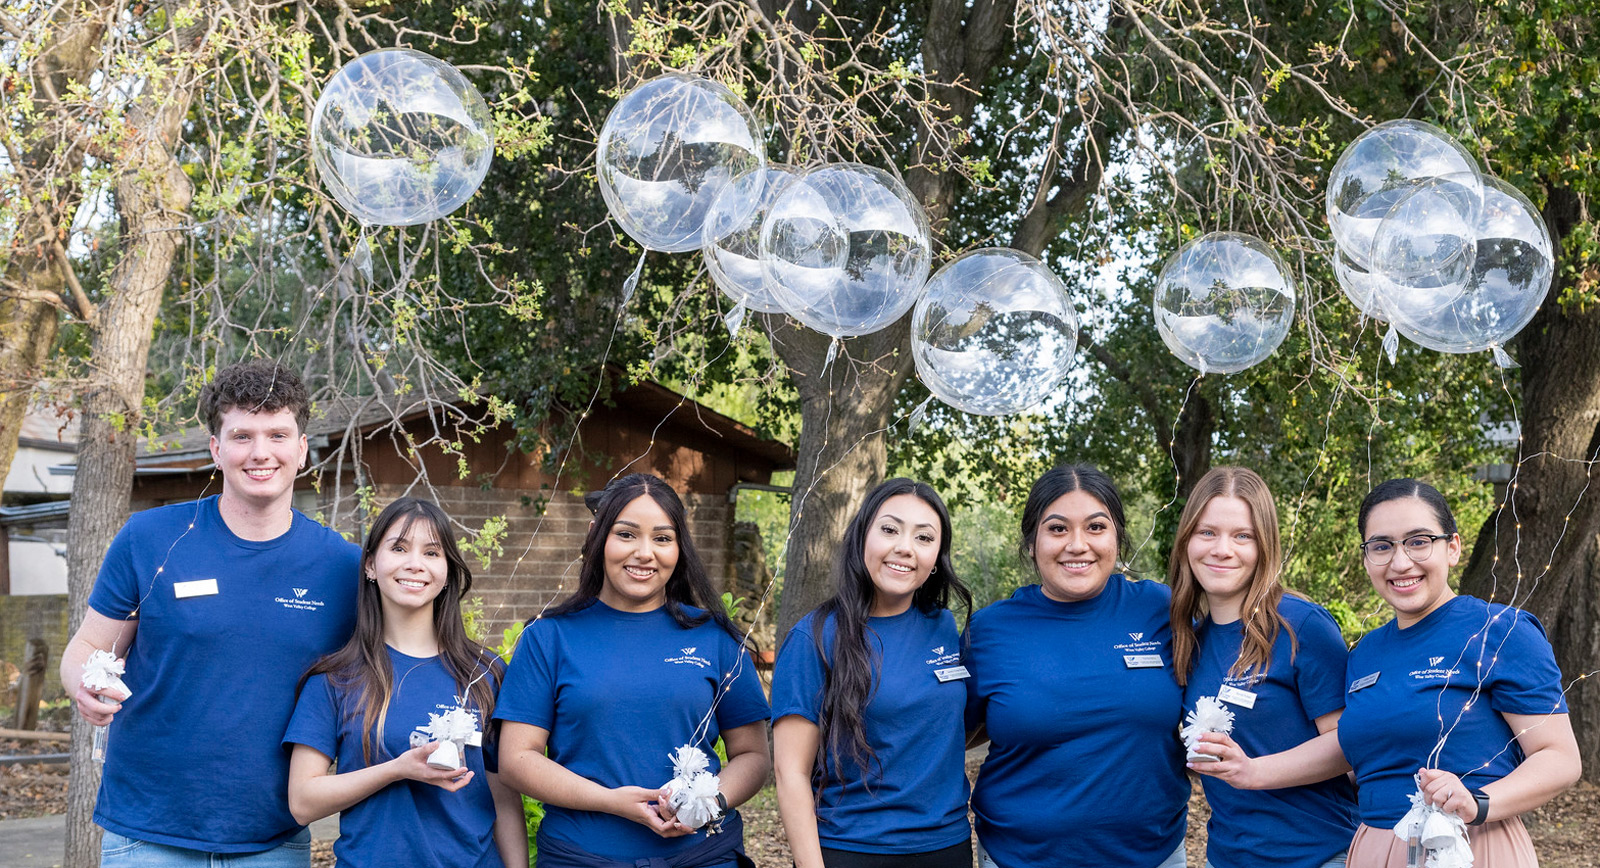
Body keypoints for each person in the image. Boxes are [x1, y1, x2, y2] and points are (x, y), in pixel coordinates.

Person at [60, 359, 360, 864]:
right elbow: (88, 647)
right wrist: (82, 686)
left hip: (273, 837)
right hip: (147, 834)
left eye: (278, 435)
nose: (260, 453)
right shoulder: (149, 539)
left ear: (302, 448)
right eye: (242, 436)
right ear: (217, 450)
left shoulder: (344, 568)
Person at [1192, 478, 1581, 867]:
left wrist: (1478, 802)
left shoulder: (1499, 630)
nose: (1400, 562)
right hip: (1376, 847)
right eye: (1382, 546)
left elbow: (1559, 758)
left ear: (1453, 547)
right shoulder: (1365, 653)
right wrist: (1252, 771)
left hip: (1467, 842)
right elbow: (1350, 752)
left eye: (1418, 541)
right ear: (1366, 558)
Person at [493, 473, 771, 867]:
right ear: (596, 535)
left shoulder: (715, 637)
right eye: (626, 534)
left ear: (679, 548)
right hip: (581, 857)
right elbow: (517, 759)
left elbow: (753, 755)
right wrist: (611, 801)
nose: (644, 553)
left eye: (662, 538)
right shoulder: (549, 637)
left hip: (703, 857)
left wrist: (708, 801)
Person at [963, 464, 1187, 868]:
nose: (1077, 544)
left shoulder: (1162, 609)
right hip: (1020, 858)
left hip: (1154, 856)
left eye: (1096, 527)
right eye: (1058, 529)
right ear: (1032, 542)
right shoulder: (990, 630)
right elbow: (945, 734)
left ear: (1117, 537)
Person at [284, 497, 527, 868]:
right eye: (398, 548)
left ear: (447, 571)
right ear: (370, 565)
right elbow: (303, 801)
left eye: (432, 552)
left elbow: (504, 798)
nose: (415, 564)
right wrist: (397, 769)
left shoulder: (485, 672)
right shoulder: (336, 678)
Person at [771, 478, 975, 868]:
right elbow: (790, 771)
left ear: (937, 558)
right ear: (862, 536)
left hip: (947, 847)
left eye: (924, 538)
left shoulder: (946, 628)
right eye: (890, 529)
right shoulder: (815, 636)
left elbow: (953, 728)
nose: (905, 548)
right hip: (852, 849)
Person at [1168, 466, 1357, 868]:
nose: (1222, 549)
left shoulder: (1301, 624)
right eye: (1207, 532)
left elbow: (1349, 744)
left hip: (1316, 855)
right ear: (1187, 540)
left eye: (1243, 535)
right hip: (1229, 856)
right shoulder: (1190, 638)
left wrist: (1254, 772)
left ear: (1264, 546)